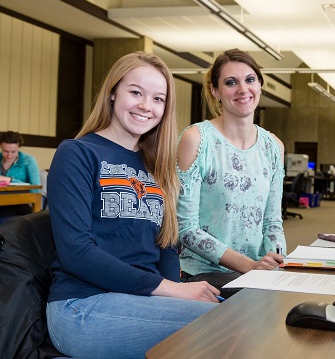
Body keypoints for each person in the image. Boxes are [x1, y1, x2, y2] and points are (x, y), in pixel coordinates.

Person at [46, 51, 219, 359]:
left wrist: (176, 290)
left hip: (142, 298)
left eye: (158, 99)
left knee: (239, 313)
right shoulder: (77, 153)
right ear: (113, 92)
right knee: (224, 326)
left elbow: (165, 245)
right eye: (135, 92)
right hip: (82, 306)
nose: (146, 106)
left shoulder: (157, 166)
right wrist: (172, 290)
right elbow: (77, 253)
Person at [177, 48, 286, 296]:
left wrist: (278, 261)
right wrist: (250, 267)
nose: (242, 89)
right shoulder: (197, 139)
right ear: (215, 90)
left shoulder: (273, 147)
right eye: (230, 82)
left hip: (257, 271)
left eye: (250, 80)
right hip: (204, 272)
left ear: (260, 85)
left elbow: (272, 222)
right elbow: (187, 230)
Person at [0, 131, 41, 224]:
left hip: (19, 202)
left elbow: (36, 188)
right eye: (5, 151)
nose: (9, 155)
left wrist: (11, 180)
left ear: (19, 147)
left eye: (13, 151)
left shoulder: (28, 161)